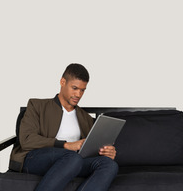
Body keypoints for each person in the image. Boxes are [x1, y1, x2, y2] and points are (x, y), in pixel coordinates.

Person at [9, 63, 118, 191]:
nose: (78, 94)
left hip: (73, 162)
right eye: (74, 88)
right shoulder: (37, 105)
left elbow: (89, 148)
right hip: (35, 158)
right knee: (72, 157)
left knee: (109, 165)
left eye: (82, 90)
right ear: (62, 82)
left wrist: (106, 152)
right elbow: (27, 140)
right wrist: (66, 145)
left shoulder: (85, 118)